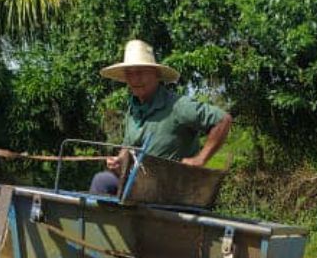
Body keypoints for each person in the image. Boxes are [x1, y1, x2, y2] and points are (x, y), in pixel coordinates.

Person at [90, 39, 231, 196]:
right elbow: (128, 147)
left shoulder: (178, 105)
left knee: (102, 182)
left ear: (156, 74)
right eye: (130, 73)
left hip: (172, 187)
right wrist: (119, 161)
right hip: (140, 183)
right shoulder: (133, 109)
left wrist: (200, 159)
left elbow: (222, 120)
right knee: (102, 181)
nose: (135, 79)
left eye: (141, 72)